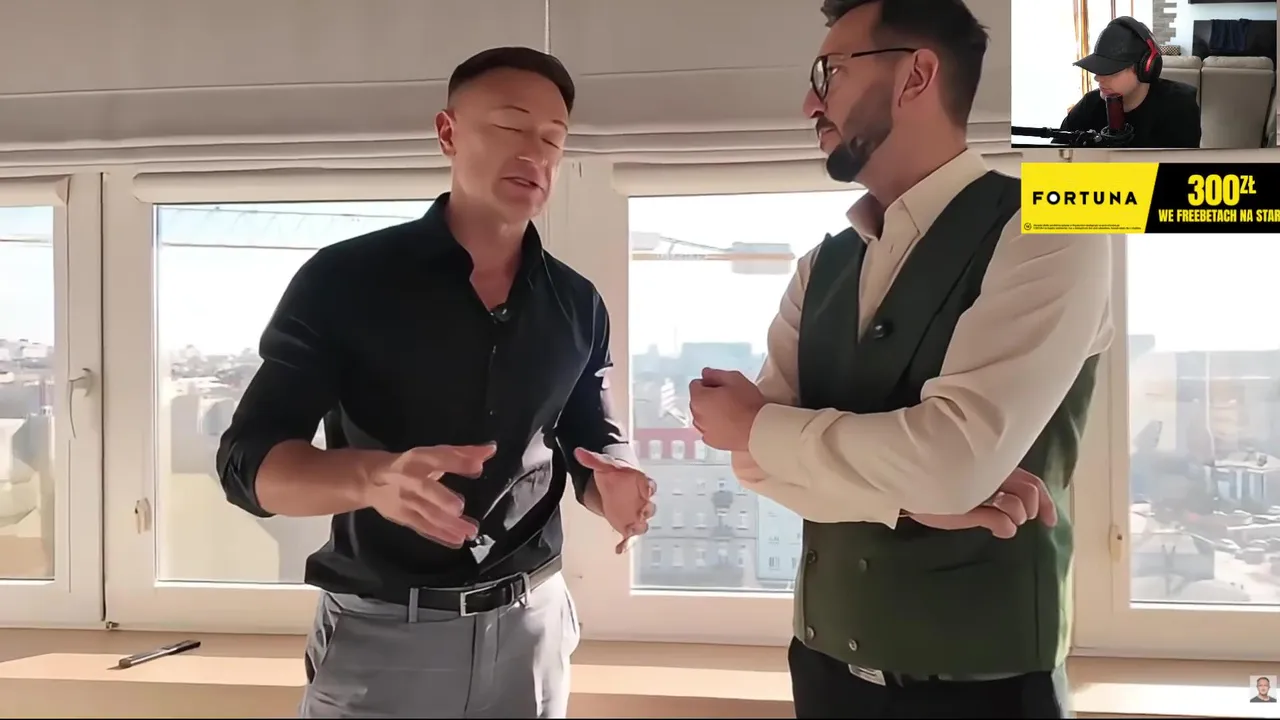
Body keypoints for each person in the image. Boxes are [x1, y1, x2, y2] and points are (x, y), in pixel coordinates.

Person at [687, 0, 1113, 717]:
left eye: (829, 73)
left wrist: (756, 426)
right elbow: (757, 468)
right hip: (822, 674)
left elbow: (949, 458)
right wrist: (913, 499)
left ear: (916, 75)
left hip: (986, 695)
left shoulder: (1052, 228)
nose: (808, 104)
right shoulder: (818, 267)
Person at [216, 46, 656, 719]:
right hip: (383, 635)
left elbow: (588, 437)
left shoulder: (577, 302)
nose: (534, 153)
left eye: (552, 138)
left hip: (534, 628)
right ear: (448, 133)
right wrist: (371, 479)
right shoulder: (344, 281)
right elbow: (245, 464)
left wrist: (616, 484)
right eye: (509, 126)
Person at [1061, 16, 1201, 149]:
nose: (1098, 78)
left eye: (1110, 71)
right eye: (1098, 70)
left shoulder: (1180, 106)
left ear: (1146, 68)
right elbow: (1056, 153)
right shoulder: (1089, 105)